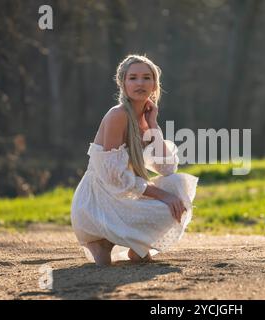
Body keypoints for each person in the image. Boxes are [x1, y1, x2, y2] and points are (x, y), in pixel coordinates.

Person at [70, 54, 198, 266]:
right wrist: (162, 195)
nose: (140, 83)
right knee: (169, 199)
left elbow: (167, 168)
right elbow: (115, 178)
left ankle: (137, 247)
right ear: (123, 83)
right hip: (98, 202)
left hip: (122, 195)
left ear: (155, 85)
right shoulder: (117, 115)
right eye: (133, 78)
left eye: (147, 78)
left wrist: (153, 124)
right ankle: (101, 240)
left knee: (178, 186)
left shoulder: (147, 119)